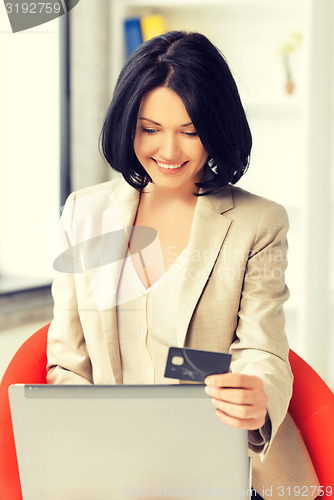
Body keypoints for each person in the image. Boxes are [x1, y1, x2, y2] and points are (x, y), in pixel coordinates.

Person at [46, 31, 319, 498]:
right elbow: (68, 364)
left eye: (190, 131)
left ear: (217, 128)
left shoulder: (258, 222)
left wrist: (256, 397)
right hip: (115, 466)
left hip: (226, 464)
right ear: (126, 124)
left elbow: (263, 350)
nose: (169, 152)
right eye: (150, 129)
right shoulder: (84, 215)